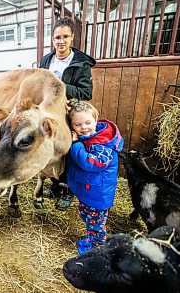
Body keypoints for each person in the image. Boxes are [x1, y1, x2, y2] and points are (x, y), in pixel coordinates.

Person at [39, 17, 96, 211]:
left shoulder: (81, 63)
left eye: (65, 37)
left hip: (70, 114)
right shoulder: (46, 60)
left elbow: (86, 93)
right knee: (53, 150)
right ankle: (55, 186)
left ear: (72, 38)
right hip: (49, 112)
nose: (60, 41)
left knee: (70, 151)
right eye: (57, 37)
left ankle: (68, 191)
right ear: (52, 39)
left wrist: (61, 87)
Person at [65, 99, 123, 254]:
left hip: (98, 194)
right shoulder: (88, 139)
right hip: (89, 190)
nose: (84, 128)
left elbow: (91, 163)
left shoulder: (103, 144)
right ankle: (91, 240)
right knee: (87, 217)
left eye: (88, 122)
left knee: (96, 225)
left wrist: (76, 145)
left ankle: (97, 250)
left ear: (96, 120)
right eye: (78, 125)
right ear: (72, 126)